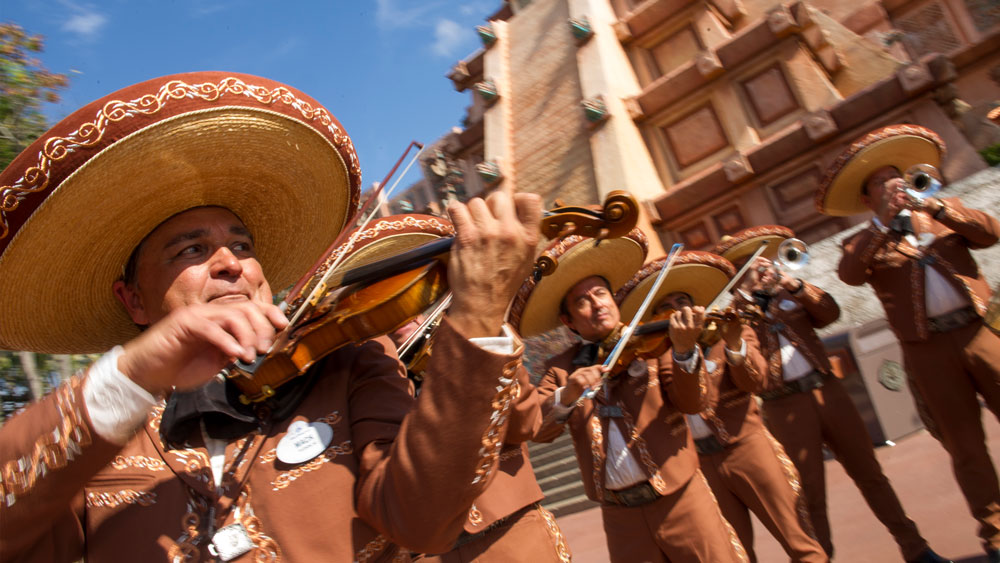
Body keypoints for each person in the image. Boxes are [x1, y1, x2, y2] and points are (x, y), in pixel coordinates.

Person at [0, 71, 543, 562]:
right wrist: (133, 374)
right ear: (134, 301)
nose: (229, 263)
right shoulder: (95, 435)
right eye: (190, 250)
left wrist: (476, 315)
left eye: (242, 244)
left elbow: (423, 522)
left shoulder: (348, 366)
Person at [816, 123, 1000, 561]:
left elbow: (990, 232)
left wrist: (935, 206)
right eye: (883, 181)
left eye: (897, 176)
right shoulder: (861, 242)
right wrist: (885, 227)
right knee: (965, 445)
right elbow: (851, 274)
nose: (895, 183)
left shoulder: (941, 211)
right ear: (867, 198)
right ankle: (995, 533)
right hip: (928, 350)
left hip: (978, 332)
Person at [508, 232, 748, 562]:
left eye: (600, 294)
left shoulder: (653, 345)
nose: (596, 304)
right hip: (620, 514)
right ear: (569, 321)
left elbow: (694, 403)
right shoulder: (560, 368)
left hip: (680, 497)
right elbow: (539, 429)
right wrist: (569, 394)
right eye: (582, 301)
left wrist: (683, 352)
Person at [348, 214, 572, 562]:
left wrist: (480, 353)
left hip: (513, 529)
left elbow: (526, 424)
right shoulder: (363, 376)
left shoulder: (478, 343)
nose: (401, 310)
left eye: (409, 293)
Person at [717, 225, 946, 563]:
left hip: (828, 390)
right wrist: (749, 305)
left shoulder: (789, 293)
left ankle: (915, 549)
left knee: (870, 474)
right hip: (785, 405)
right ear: (736, 278)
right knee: (809, 494)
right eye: (753, 265)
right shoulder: (735, 318)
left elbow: (829, 313)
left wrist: (794, 286)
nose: (763, 268)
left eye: (764, 261)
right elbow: (752, 375)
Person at [616, 251, 826, 562]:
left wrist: (734, 345)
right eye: (667, 307)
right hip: (700, 462)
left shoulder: (724, 331)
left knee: (797, 538)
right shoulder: (653, 357)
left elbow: (757, 382)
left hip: (746, 445)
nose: (677, 312)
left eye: (682, 303)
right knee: (735, 551)